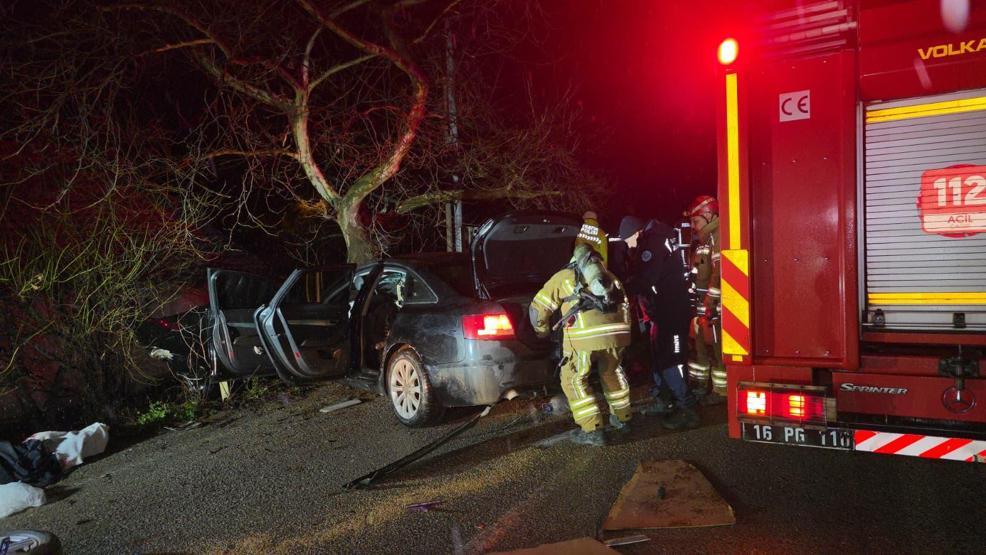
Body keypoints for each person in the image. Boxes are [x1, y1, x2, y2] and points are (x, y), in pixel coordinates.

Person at [530, 244, 633, 446]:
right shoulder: (611, 277)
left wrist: (541, 333)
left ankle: (592, 429)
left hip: (585, 337)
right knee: (612, 372)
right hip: (619, 336)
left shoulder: (564, 277)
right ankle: (623, 418)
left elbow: (537, 310)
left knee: (574, 379)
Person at [617, 215, 699, 430]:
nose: (628, 245)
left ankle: (687, 406)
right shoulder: (655, 239)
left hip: (671, 312)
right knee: (659, 356)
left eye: (628, 240)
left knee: (673, 359)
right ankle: (665, 399)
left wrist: (620, 292)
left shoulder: (651, 244)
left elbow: (646, 280)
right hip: (662, 312)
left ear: (635, 233)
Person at [685, 195, 725, 405]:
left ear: (710, 215)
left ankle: (721, 392)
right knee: (699, 344)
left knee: (718, 347)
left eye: (696, 221)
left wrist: (711, 301)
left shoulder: (719, 236)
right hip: (701, 304)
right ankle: (700, 386)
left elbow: (720, 273)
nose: (693, 226)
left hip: (714, 306)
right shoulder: (704, 240)